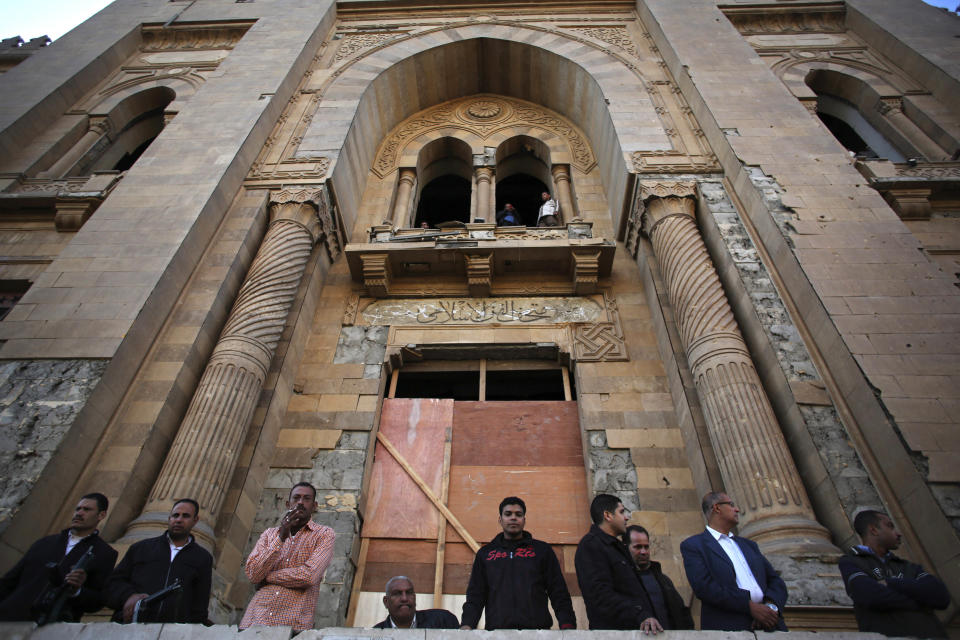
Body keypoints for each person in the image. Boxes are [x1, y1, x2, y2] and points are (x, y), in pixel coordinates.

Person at [460, 496, 575, 630]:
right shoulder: (486, 554)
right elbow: (476, 595)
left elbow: (558, 591)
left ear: (524, 520)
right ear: (500, 519)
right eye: (508, 514)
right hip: (498, 633)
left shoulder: (542, 551)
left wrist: (567, 623)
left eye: (518, 514)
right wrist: (467, 624)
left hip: (537, 633)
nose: (513, 518)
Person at [0, 493, 118, 623]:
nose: (79, 513)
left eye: (87, 509)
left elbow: (98, 601)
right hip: (10, 619)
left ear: (101, 515)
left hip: (53, 626)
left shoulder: (104, 553)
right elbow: (9, 581)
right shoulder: (44, 543)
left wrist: (77, 590)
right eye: (78, 509)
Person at [680, 492, 787, 632]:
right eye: (731, 505)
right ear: (717, 508)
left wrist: (770, 608)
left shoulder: (749, 545)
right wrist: (749, 607)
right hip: (729, 627)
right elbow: (704, 587)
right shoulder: (694, 545)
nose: (736, 509)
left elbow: (775, 581)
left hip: (770, 626)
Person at [240, 482, 335, 632]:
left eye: (306, 499)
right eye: (296, 498)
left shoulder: (324, 535)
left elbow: (309, 576)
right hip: (255, 620)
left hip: (293, 625)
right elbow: (253, 573)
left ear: (314, 505)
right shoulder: (269, 534)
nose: (300, 503)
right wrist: (281, 538)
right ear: (287, 503)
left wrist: (268, 577)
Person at [839, 510, 949, 637]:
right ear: (874, 530)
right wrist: (922, 603)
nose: (898, 533)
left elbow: (941, 597)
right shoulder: (852, 561)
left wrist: (890, 583)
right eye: (890, 526)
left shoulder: (908, 566)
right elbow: (869, 595)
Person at [107, 498, 212, 623]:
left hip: (171, 632)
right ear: (169, 518)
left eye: (185, 516)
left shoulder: (202, 558)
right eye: (175, 515)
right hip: (131, 626)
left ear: (195, 521)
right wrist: (128, 596)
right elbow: (113, 583)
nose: (178, 520)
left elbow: (200, 603)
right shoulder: (141, 548)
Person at [575, 493, 661, 633]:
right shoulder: (591, 546)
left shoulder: (617, 548)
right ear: (608, 515)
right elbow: (601, 595)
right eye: (621, 512)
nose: (626, 517)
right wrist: (639, 614)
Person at [624, 525, 694, 630]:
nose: (643, 552)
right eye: (638, 547)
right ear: (626, 548)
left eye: (646, 547)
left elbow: (682, 613)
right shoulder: (622, 581)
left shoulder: (664, 580)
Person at [372, 576, 459, 629]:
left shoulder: (443, 621)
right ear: (386, 602)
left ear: (415, 597)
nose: (404, 598)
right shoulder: (374, 635)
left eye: (409, 593)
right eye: (397, 594)